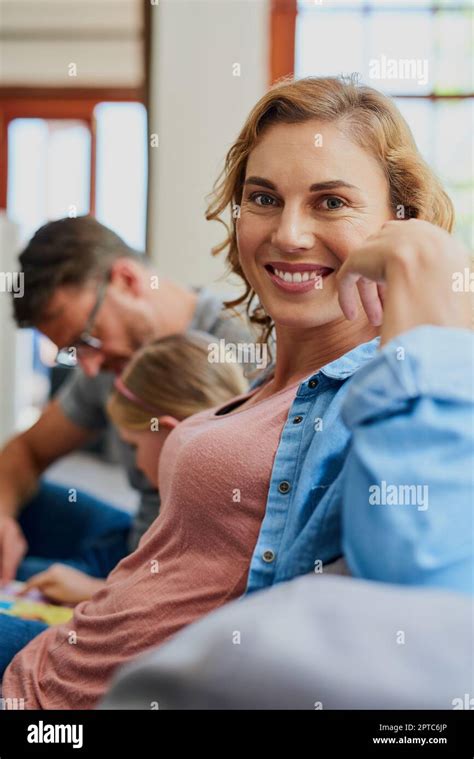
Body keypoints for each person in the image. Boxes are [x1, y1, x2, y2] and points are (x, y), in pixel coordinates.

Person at [1, 74, 470, 708]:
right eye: (264, 198)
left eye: (331, 201)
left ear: (398, 222)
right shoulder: (262, 381)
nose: (289, 233)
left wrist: (429, 309)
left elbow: (417, 597)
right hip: (49, 659)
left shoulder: (372, 393)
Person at [0, 216, 258, 586]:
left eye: (85, 339)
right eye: (71, 352)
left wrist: (103, 595)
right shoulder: (108, 362)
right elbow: (28, 450)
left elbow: (225, 558)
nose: (88, 368)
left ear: (127, 281)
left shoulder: (242, 356)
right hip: (131, 546)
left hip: (162, 579)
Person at [20, 331, 247, 604]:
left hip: (126, 593)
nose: (136, 464)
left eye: (134, 446)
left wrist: (95, 592)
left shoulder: (209, 516)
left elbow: (179, 604)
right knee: (34, 573)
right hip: (127, 560)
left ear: (170, 432)